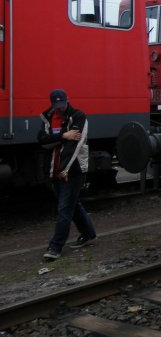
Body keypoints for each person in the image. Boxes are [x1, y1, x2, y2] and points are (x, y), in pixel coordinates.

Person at [38, 89, 96, 260]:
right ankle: (88, 233)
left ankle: (55, 247)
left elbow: (75, 146)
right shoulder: (48, 117)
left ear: (67, 100)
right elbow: (41, 140)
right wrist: (64, 135)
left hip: (73, 170)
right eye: (57, 106)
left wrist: (65, 169)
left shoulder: (78, 116)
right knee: (72, 204)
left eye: (62, 105)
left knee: (64, 208)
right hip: (54, 170)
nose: (60, 109)